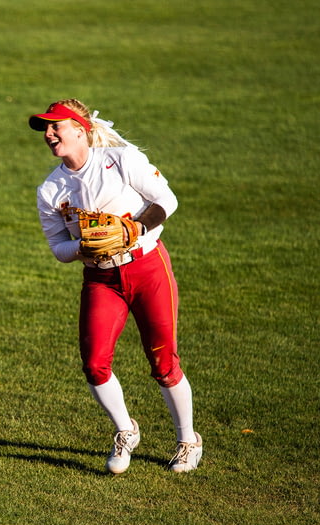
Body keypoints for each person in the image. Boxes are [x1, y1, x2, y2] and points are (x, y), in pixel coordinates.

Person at [28, 99, 202, 474]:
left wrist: (133, 229)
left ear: (80, 129)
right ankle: (126, 430)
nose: (49, 134)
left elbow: (166, 200)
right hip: (101, 278)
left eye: (56, 126)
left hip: (147, 268)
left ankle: (188, 439)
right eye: (46, 128)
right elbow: (58, 249)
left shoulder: (121, 160)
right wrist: (83, 246)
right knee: (94, 364)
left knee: (163, 361)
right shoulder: (51, 190)